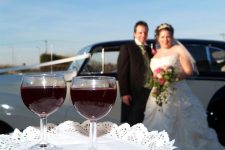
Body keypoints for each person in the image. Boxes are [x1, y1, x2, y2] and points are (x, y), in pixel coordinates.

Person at [143, 23, 224, 150]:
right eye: (163, 37)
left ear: (172, 36)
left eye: (168, 36)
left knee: (183, 125)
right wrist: (157, 78)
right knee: (156, 122)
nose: (166, 39)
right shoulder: (157, 53)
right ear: (158, 38)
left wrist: (170, 76)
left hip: (178, 92)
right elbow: (154, 72)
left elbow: (188, 71)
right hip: (158, 92)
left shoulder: (178, 50)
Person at [117, 21, 153, 126]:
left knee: (146, 122)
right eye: (140, 32)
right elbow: (122, 72)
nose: (143, 35)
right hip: (134, 92)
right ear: (134, 33)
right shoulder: (127, 48)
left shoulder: (150, 49)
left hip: (150, 91)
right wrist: (124, 93)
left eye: (145, 33)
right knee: (133, 122)